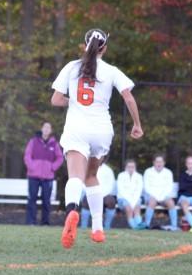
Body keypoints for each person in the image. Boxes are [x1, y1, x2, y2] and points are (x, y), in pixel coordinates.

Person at [51, 28, 143, 248]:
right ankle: (98, 229)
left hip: (77, 127)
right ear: (105, 48)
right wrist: (137, 124)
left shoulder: (72, 67)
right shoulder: (111, 71)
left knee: (75, 175)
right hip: (101, 130)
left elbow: (55, 100)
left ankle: (72, 210)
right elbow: (128, 98)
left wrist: (72, 101)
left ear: (85, 45)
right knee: (91, 176)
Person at [23, 122, 64, 225]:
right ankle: (30, 222)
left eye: (48, 128)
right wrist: (32, 167)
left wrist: (52, 167)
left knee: (46, 201)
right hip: (33, 176)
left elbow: (60, 158)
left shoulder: (54, 144)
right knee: (32, 199)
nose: (46, 129)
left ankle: (45, 222)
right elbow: (27, 156)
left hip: (48, 177)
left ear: (50, 131)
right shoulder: (33, 141)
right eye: (45, 127)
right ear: (41, 129)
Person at [143, 155, 178, 231]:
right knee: (152, 202)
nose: (159, 163)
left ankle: (174, 226)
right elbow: (147, 187)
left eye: (161, 162)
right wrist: (155, 196)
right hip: (151, 195)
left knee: (171, 203)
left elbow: (169, 187)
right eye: (157, 162)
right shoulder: (148, 172)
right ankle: (146, 225)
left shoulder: (168, 172)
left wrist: (161, 197)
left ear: (164, 163)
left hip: (164, 196)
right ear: (153, 162)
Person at [80, 161, 117, 230]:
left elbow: (110, 185)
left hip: (104, 194)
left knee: (111, 201)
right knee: (86, 200)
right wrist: (92, 193)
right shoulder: (87, 167)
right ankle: (83, 226)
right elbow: (83, 182)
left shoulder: (108, 170)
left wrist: (101, 195)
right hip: (90, 192)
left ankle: (107, 226)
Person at [116, 159, 145, 229]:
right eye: (129, 167)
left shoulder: (139, 176)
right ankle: (134, 226)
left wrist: (133, 201)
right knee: (128, 208)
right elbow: (121, 190)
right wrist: (130, 201)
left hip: (135, 198)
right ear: (125, 167)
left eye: (132, 167)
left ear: (135, 168)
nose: (131, 168)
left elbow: (139, 190)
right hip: (123, 198)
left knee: (137, 207)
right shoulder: (121, 175)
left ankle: (139, 224)